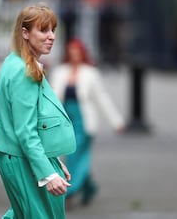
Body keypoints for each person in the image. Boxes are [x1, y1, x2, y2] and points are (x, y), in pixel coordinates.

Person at [0, 3, 77, 218]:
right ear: (25, 33)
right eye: (43, 30)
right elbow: (25, 131)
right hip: (21, 158)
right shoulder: (23, 71)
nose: (51, 37)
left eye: (53, 30)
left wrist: (52, 162)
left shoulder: (15, 62)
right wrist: (47, 173)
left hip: (20, 157)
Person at [49, 38, 125, 208]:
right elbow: (52, 97)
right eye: (71, 51)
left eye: (77, 51)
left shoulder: (90, 73)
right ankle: (88, 187)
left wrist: (116, 121)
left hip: (83, 120)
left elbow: (102, 98)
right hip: (66, 119)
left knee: (75, 154)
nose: (74, 55)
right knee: (71, 154)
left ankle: (70, 190)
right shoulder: (60, 71)